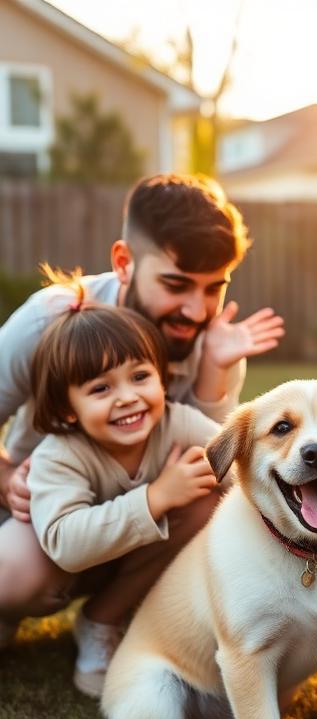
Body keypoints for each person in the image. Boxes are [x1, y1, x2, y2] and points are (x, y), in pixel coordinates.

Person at [0, 174, 284, 655]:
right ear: (124, 263)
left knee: (215, 500)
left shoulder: (211, 340)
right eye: (176, 285)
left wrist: (214, 372)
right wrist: (7, 476)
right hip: (45, 520)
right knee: (15, 578)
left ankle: (108, 616)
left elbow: (207, 457)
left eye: (214, 288)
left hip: (146, 514)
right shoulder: (52, 319)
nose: (196, 311)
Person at [22, 299, 224, 696]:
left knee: (207, 501)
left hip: (137, 560)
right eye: (101, 388)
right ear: (67, 409)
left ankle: (104, 619)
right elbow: (66, 544)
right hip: (69, 568)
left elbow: (237, 465)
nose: (128, 397)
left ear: (162, 379)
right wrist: (156, 497)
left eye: (140, 376)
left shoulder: (177, 423)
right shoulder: (58, 454)